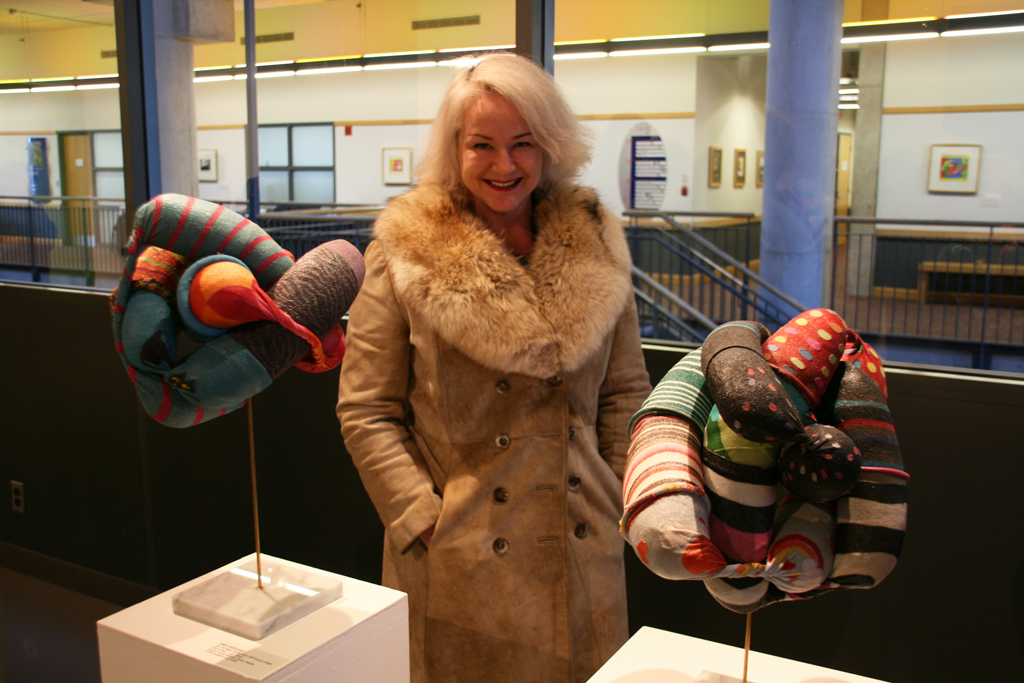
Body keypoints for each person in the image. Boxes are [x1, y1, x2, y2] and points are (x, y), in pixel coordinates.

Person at [336, 53, 651, 683]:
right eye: (483, 144)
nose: (504, 165)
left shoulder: (595, 239)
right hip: (463, 559)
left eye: (523, 144)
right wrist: (422, 518)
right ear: (455, 147)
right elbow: (365, 408)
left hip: (581, 544)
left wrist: (619, 493)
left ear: (550, 146)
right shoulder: (405, 251)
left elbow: (625, 392)